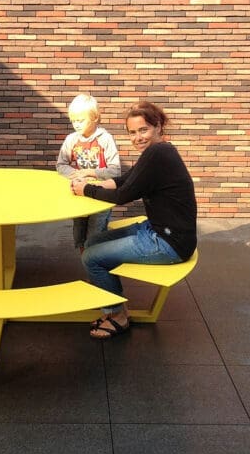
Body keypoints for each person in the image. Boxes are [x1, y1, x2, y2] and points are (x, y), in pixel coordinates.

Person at [70, 101, 197, 340]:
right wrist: (91, 184)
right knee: (93, 241)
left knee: (91, 257)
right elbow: (126, 180)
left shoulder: (158, 153)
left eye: (143, 130)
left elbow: (123, 195)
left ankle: (118, 316)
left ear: (158, 127)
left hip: (168, 243)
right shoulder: (159, 152)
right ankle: (113, 309)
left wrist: (86, 190)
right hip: (157, 230)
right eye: (132, 132)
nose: (137, 137)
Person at [56, 93, 121, 251]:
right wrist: (76, 175)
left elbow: (115, 170)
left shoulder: (105, 139)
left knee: (95, 233)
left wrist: (89, 172)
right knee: (79, 232)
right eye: (73, 121)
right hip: (80, 193)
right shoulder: (71, 139)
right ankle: (85, 257)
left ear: (95, 117)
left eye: (81, 120)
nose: (76, 125)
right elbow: (61, 164)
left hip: (101, 195)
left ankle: (96, 263)